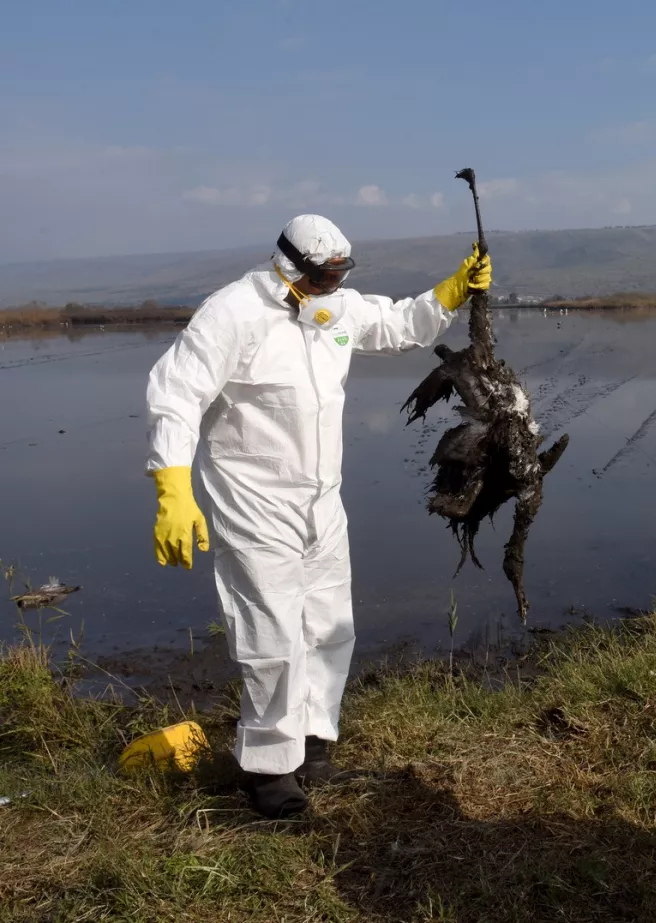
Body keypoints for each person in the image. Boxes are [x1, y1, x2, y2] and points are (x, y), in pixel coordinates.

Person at [145, 214, 490, 818]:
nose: (335, 285)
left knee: (330, 623)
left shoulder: (335, 308)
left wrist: (453, 290)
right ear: (291, 267)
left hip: (321, 501)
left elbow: (394, 324)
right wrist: (173, 484)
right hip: (253, 501)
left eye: (341, 274)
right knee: (272, 634)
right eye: (325, 275)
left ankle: (313, 740)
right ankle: (267, 771)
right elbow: (176, 393)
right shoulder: (232, 314)